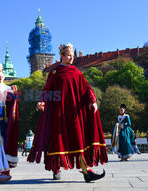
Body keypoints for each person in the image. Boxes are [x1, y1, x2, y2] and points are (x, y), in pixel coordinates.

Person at [27, 43, 108, 182]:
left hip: (75, 112)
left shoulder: (77, 72)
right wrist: (42, 101)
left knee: (78, 139)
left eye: (72, 56)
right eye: (69, 55)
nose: (71, 58)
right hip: (58, 112)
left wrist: (93, 101)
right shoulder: (55, 73)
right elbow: (47, 89)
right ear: (62, 56)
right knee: (57, 140)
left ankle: (86, 171)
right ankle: (56, 168)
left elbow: (87, 88)